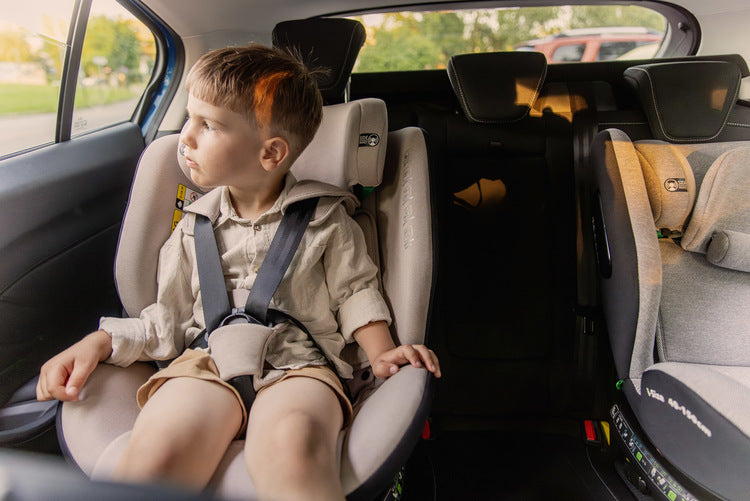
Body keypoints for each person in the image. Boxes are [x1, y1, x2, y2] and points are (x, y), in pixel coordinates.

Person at [36, 43, 441, 500]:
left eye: (208, 125)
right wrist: (100, 341)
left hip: (299, 366)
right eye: (189, 118)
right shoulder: (192, 228)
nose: (186, 137)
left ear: (271, 153)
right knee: (155, 455)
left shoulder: (327, 220)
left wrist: (382, 352)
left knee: (293, 450)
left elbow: (355, 293)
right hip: (203, 363)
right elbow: (166, 321)